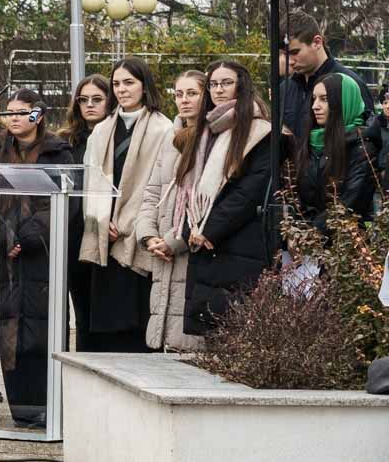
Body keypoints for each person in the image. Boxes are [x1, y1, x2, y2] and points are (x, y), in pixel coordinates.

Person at [0, 90, 75, 428]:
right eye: (9, 112)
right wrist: (4, 237)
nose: (14, 118)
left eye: (22, 112)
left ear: (38, 115)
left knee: (41, 328)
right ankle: (20, 406)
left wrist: (25, 237)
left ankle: (46, 404)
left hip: (43, 258)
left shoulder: (58, 153)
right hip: (4, 259)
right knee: (9, 329)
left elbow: (65, 204)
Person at [77, 58, 171, 352]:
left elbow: (160, 184)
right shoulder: (101, 130)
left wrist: (132, 223)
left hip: (141, 235)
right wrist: (101, 221)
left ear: (144, 86)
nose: (121, 89)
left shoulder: (163, 129)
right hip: (105, 236)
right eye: (116, 83)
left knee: (138, 328)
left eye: (128, 82)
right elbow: (90, 181)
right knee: (108, 329)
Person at [182, 59, 275, 338]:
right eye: (212, 84)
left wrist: (210, 229)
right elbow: (190, 186)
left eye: (226, 83)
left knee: (233, 331)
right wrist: (191, 227)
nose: (218, 90)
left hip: (237, 241)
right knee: (209, 333)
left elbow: (251, 190)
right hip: (203, 242)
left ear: (241, 86)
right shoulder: (207, 130)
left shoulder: (261, 132)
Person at [136, 70, 205, 352]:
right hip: (160, 247)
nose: (184, 100)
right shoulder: (170, 137)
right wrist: (147, 235)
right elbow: (152, 190)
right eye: (179, 94)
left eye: (192, 93)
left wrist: (175, 241)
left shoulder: (211, 139)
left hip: (187, 247)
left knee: (186, 338)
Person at [58, 74, 113, 349]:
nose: (89, 105)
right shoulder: (64, 142)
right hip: (71, 232)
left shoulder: (116, 137)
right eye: (83, 100)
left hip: (107, 231)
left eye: (97, 99)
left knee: (103, 310)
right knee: (79, 311)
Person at [295, 71, 377, 226]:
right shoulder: (310, 141)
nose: (315, 106)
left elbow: (350, 203)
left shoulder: (363, 148)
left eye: (324, 99)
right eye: (314, 99)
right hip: (305, 240)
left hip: (344, 242)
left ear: (344, 102)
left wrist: (312, 234)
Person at [280, 11, 364, 141]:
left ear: (317, 42)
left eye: (294, 52)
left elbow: (364, 141)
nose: (290, 61)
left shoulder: (349, 85)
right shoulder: (285, 89)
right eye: (285, 54)